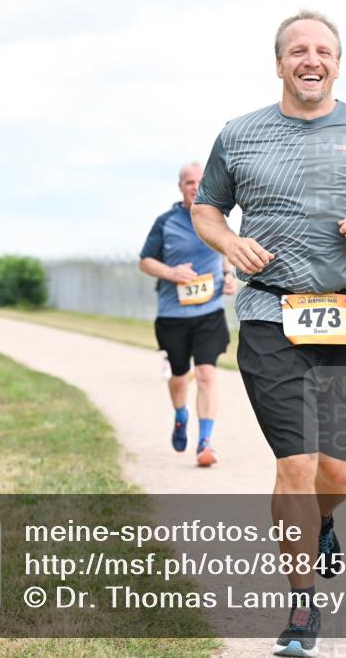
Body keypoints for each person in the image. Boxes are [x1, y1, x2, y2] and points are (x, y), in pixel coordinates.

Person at [191, 10, 346, 657]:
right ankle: (301, 605)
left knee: (338, 468)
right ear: (280, 62)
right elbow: (207, 205)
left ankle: (323, 521)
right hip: (269, 314)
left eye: (322, 50)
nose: (309, 59)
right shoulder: (240, 133)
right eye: (297, 50)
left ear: (337, 63)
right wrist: (229, 241)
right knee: (295, 462)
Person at [139, 161, 235, 467]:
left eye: (200, 181)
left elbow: (226, 251)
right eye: (189, 182)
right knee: (180, 377)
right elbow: (145, 261)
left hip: (210, 312)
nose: (195, 186)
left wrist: (230, 274)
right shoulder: (165, 222)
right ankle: (181, 415)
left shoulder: (217, 218)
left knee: (206, 374)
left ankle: (205, 442)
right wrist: (170, 272)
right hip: (173, 315)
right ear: (180, 187)